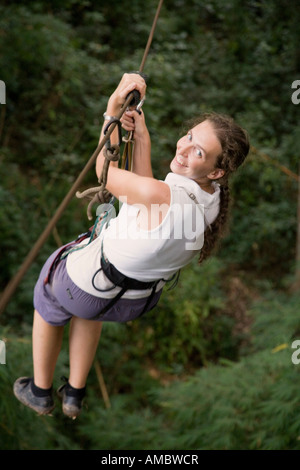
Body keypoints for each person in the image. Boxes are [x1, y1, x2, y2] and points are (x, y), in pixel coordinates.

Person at [13, 73, 250, 418]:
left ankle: (39, 391)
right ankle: (75, 393)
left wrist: (111, 113)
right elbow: (148, 197)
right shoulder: (211, 198)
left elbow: (104, 168)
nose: (183, 149)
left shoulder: (162, 195)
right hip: (135, 299)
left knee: (49, 289)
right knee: (88, 306)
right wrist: (140, 136)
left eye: (197, 151)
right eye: (188, 136)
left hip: (94, 285)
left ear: (215, 171)